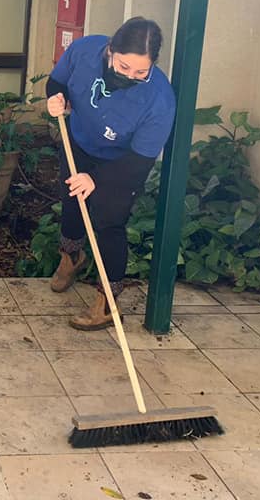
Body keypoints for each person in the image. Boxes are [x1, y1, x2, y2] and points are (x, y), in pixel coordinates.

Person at [45, 17, 176, 330]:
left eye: (141, 72)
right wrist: (55, 99)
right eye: (124, 67)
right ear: (109, 51)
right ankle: (72, 258)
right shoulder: (84, 51)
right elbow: (57, 82)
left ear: (153, 65)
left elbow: (139, 162)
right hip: (78, 141)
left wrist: (97, 180)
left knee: (107, 222)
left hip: (121, 164)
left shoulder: (159, 100)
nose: (131, 76)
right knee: (72, 201)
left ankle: (107, 301)